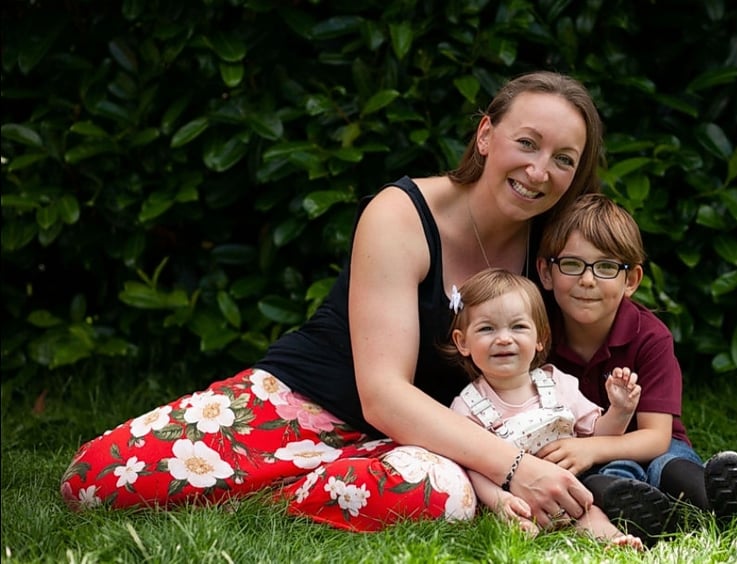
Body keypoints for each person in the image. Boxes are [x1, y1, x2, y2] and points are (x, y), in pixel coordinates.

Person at [59, 71, 606, 532]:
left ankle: (307, 491)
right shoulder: (402, 214)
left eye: (564, 159)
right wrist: (514, 468)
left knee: (444, 495)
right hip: (310, 404)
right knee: (96, 478)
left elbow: (612, 341)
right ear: (486, 134)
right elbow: (384, 395)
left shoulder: (555, 246)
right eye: (527, 143)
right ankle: (306, 483)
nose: (540, 172)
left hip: (427, 442)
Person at [533, 193, 737, 545]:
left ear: (632, 280)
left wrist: (591, 448)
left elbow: (656, 436)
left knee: (667, 465)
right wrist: (586, 454)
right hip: (593, 464)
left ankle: (720, 501)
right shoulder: (536, 335)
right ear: (546, 272)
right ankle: (644, 514)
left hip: (653, 447)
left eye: (606, 266)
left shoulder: (649, 335)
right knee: (603, 479)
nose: (588, 280)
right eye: (572, 264)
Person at [443, 268, 643, 549]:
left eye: (518, 327)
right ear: (462, 342)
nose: (504, 338)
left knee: (589, 511)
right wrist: (500, 501)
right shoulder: (466, 406)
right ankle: (522, 529)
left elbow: (598, 435)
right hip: (513, 496)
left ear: (540, 338)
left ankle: (613, 539)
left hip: (571, 491)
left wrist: (620, 411)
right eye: (487, 329)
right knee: (516, 522)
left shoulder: (557, 384)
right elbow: (471, 467)